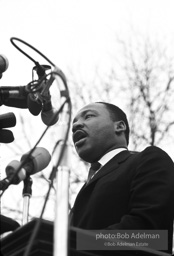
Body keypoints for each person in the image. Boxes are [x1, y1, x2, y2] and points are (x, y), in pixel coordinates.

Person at [70, 102, 174, 254]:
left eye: (89, 116)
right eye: (74, 123)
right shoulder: (84, 190)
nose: (76, 125)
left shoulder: (148, 159)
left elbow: (151, 236)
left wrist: (75, 243)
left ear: (119, 127)